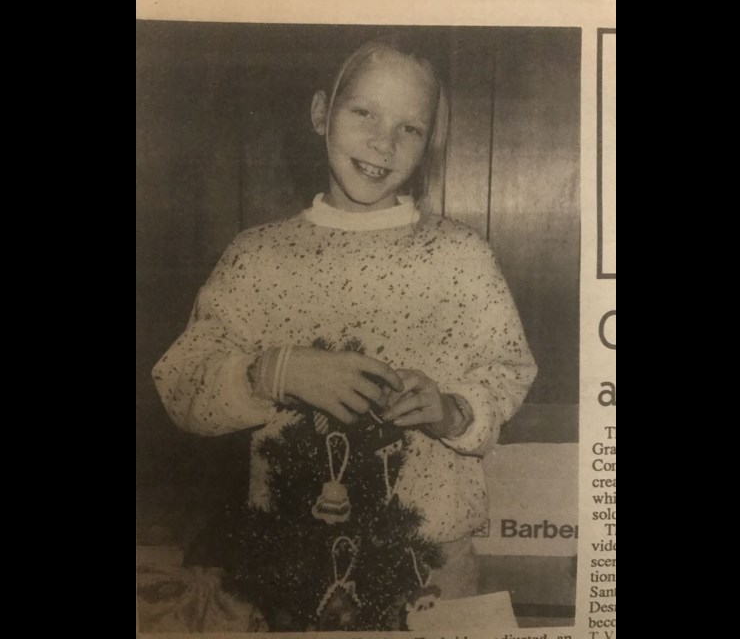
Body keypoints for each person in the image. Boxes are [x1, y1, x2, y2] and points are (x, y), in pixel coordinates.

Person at [152, 34, 537, 599]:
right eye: (364, 113)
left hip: (429, 570)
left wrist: (454, 411)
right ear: (320, 113)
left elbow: (507, 369)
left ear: (430, 142)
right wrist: (275, 372)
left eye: (411, 128)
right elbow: (182, 385)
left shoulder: (461, 256)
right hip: (287, 568)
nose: (383, 143)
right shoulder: (258, 256)